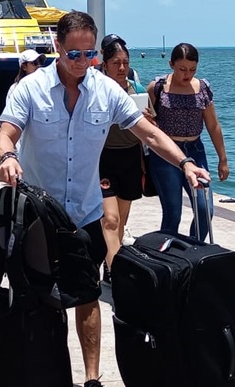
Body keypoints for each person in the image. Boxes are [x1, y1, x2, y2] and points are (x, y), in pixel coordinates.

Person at [0, 11, 210, 387]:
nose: (81, 62)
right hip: (38, 216)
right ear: (57, 47)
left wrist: (186, 163)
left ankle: (92, 377)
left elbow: (151, 135)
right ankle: (46, 373)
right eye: (73, 54)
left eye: (88, 54)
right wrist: (8, 158)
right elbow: (5, 136)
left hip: (84, 212)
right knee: (38, 302)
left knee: (87, 295)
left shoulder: (106, 90)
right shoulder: (29, 89)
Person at [146, 42, 229, 241]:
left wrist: (222, 159)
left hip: (195, 150)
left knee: (204, 209)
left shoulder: (202, 88)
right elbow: (147, 123)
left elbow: (213, 125)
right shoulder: (157, 87)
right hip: (166, 154)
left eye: (192, 69)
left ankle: (194, 249)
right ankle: (167, 257)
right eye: (182, 69)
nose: (187, 74)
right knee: (173, 212)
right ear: (171, 64)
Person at [98, 36, 149, 285]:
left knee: (122, 217)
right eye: (116, 62)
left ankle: (110, 260)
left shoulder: (137, 90)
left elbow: (149, 131)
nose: (121, 68)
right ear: (105, 64)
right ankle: (113, 270)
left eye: (125, 63)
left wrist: (149, 119)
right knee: (110, 218)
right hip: (103, 157)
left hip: (130, 156)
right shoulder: (96, 90)